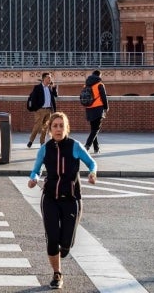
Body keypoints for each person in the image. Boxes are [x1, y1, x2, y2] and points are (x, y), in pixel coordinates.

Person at [27, 112, 97, 290]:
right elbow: (35, 170)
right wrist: (33, 178)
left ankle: (64, 248)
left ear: (66, 128)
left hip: (71, 199)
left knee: (66, 244)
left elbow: (92, 163)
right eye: (54, 126)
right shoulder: (45, 148)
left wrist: (92, 173)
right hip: (49, 198)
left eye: (61, 125)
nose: (58, 129)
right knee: (52, 239)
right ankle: (57, 274)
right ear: (49, 129)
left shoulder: (75, 146)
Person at [27, 72, 58, 148]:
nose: (50, 79)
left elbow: (55, 95)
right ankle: (31, 141)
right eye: (48, 78)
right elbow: (34, 99)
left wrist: (53, 87)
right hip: (40, 110)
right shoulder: (37, 87)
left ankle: (42, 142)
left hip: (48, 110)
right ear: (44, 79)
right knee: (37, 126)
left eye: (50, 78)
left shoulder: (49, 88)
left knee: (45, 127)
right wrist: (37, 108)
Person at [84, 70, 109, 153]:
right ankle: (87, 146)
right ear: (99, 75)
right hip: (98, 108)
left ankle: (96, 148)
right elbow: (104, 97)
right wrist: (106, 107)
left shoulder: (86, 85)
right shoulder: (100, 85)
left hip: (89, 108)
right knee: (96, 129)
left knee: (93, 129)